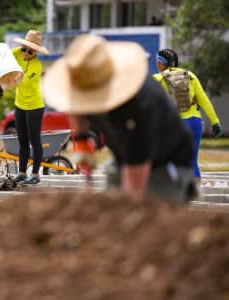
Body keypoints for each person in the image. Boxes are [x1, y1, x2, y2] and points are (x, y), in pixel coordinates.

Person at [42, 34, 197, 202]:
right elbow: (74, 108)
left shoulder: (141, 106)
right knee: (113, 201)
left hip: (166, 162)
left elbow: (134, 185)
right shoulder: (84, 80)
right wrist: (82, 142)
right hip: (124, 156)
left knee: (147, 213)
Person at [153, 48, 222, 182]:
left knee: (169, 160)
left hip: (175, 124)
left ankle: (175, 195)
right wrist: (215, 122)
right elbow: (204, 100)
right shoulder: (190, 75)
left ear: (164, 63)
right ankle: (195, 194)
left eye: (158, 61)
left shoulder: (157, 79)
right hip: (195, 122)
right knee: (192, 160)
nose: (156, 64)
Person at [10, 29, 49, 185]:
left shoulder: (37, 66)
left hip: (34, 107)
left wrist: (11, 74)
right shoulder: (17, 53)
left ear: (36, 52)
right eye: (24, 49)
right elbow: (5, 58)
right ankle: (21, 172)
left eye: (30, 52)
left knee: (35, 140)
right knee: (23, 140)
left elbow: (22, 81)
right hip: (20, 105)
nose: (26, 53)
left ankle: (35, 175)